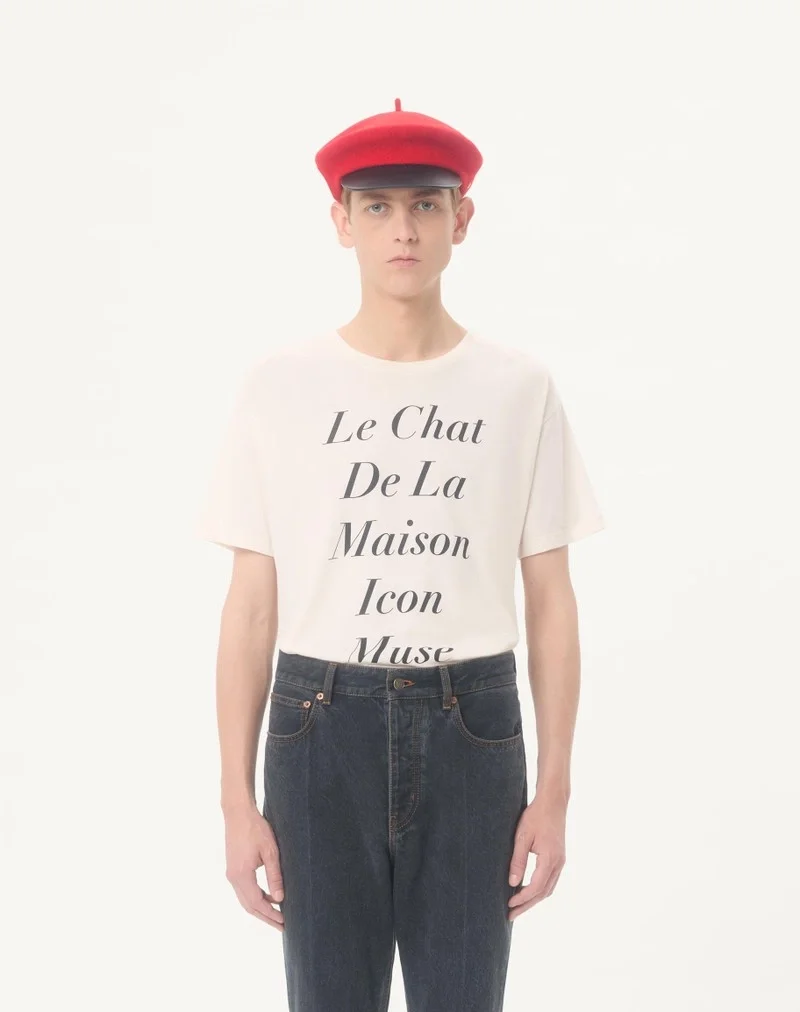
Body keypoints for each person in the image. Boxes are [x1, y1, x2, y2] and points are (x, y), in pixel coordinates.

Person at [196, 98, 606, 1012]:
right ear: (340, 223)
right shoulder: (279, 388)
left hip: (474, 727)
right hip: (318, 726)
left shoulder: (518, 388)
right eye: (377, 207)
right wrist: (235, 800)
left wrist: (555, 792)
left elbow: (551, 598)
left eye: (426, 203)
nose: (404, 230)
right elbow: (251, 604)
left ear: (463, 218)